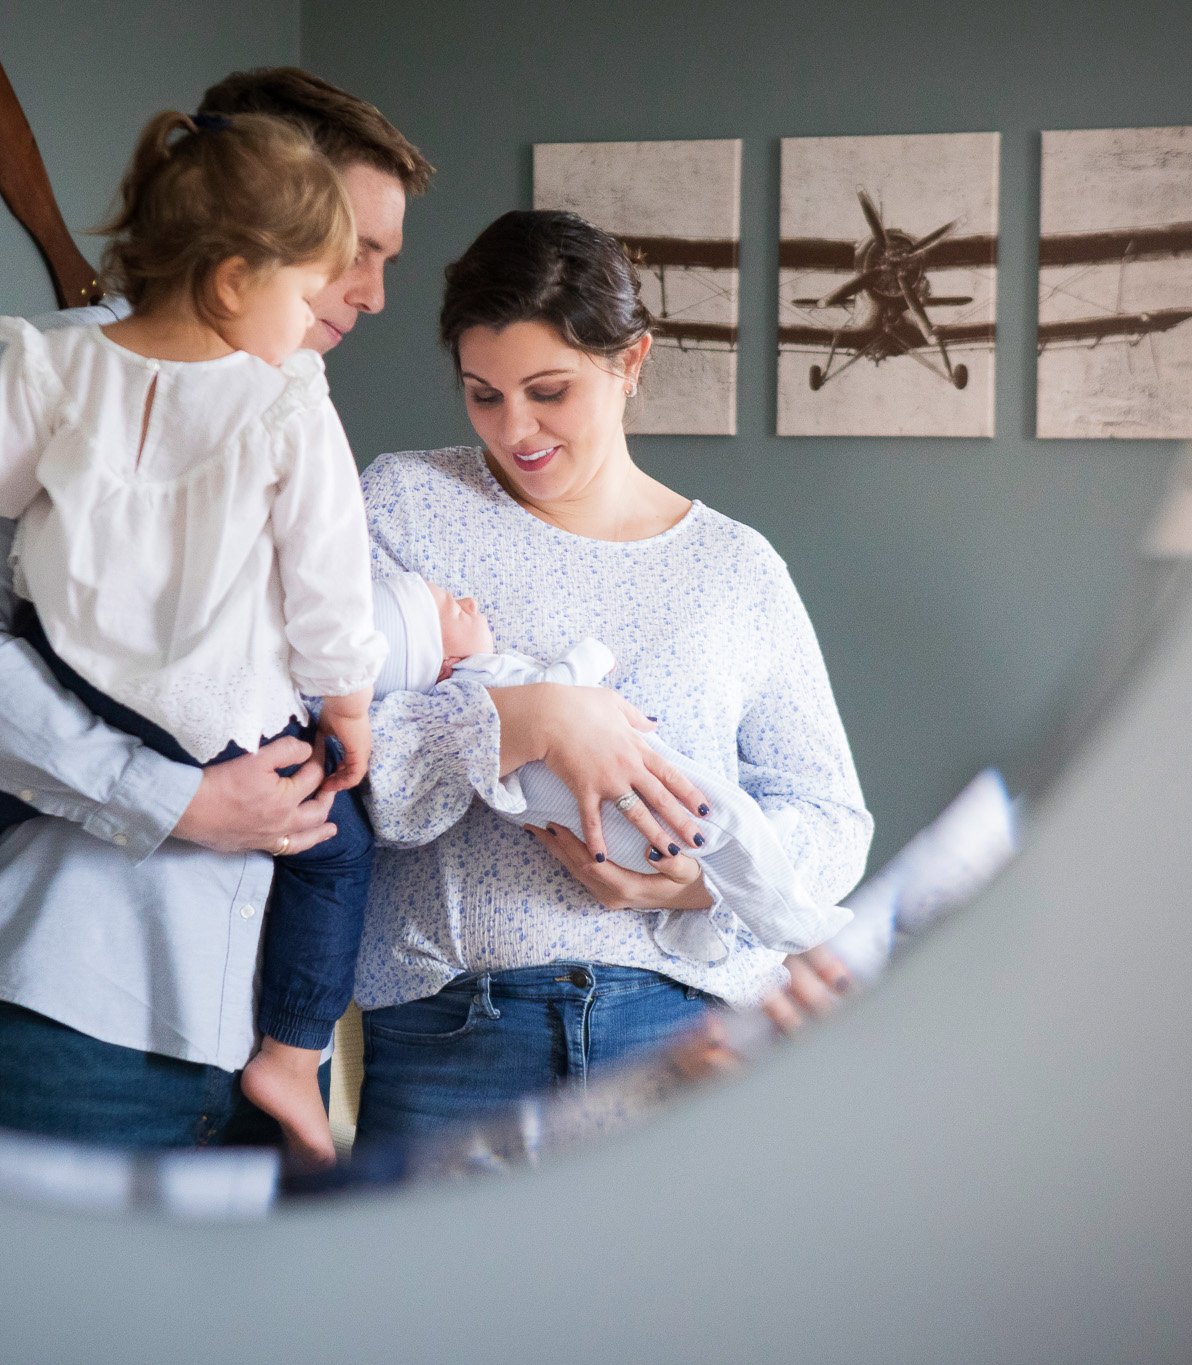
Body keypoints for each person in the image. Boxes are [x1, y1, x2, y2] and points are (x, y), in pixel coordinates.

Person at [0, 68, 432, 1153]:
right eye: (355, 248)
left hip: (248, 1030)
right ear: (244, 238)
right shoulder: (42, 386)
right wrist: (167, 798)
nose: (370, 291)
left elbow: (305, 629)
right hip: (54, 1017)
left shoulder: (284, 406)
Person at [350, 210, 875, 1145]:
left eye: (549, 391)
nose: (516, 429)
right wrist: (529, 719)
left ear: (631, 362)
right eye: (482, 394)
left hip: (685, 1030)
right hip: (453, 1029)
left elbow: (832, 817)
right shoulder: (403, 505)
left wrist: (703, 884)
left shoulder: (734, 568)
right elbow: (342, 754)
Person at [368, 569, 853, 963]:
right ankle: (793, 925)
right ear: (445, 659)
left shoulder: (741, 564)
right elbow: (561, 686)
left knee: (714, 849)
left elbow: (835, 814)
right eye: (454, 608)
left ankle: (704, 925)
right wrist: (590, 660)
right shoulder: (484, 678)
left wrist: (696, 894)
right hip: (612, 819)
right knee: (733, 822)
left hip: (597, 840)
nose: (472, 602)